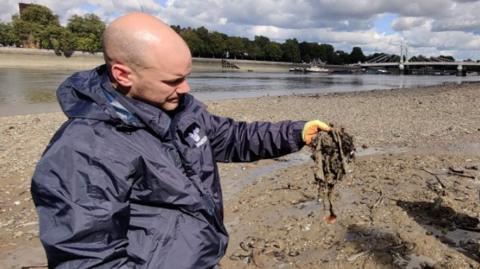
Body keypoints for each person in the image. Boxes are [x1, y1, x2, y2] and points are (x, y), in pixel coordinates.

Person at [31, 12, 331, 269]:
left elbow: (231, 137)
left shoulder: (181, 109)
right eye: (173, 80)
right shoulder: (84, 150)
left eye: (185, 76)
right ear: (123, 74)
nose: (185, 88)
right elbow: (87, 256)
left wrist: (295, 133)